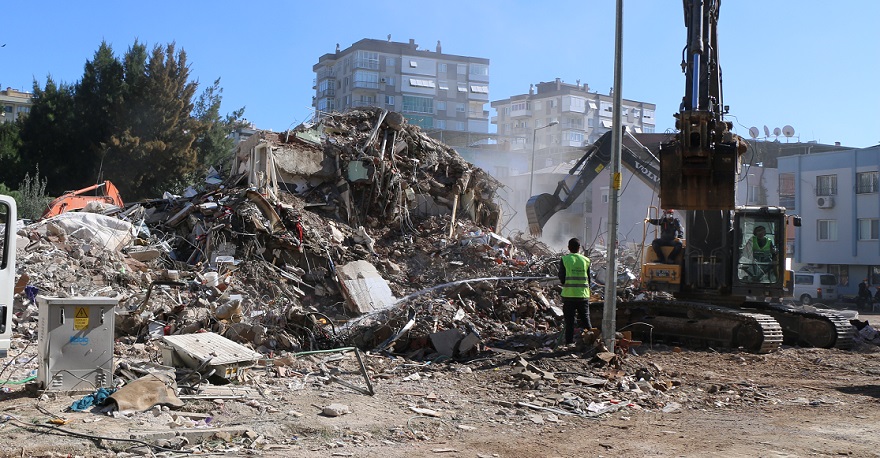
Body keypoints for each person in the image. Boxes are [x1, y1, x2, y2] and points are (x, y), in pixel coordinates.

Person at [558, 238, 592, 346]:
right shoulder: (586, 260)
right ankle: (592, 340)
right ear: (579, 248)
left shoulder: (565, 260)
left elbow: (562, 278)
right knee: (586, 320)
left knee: (570, 322)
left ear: (568, 248)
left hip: (569, 296)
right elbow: (589, 279)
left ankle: (569, 343)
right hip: (583, 296)